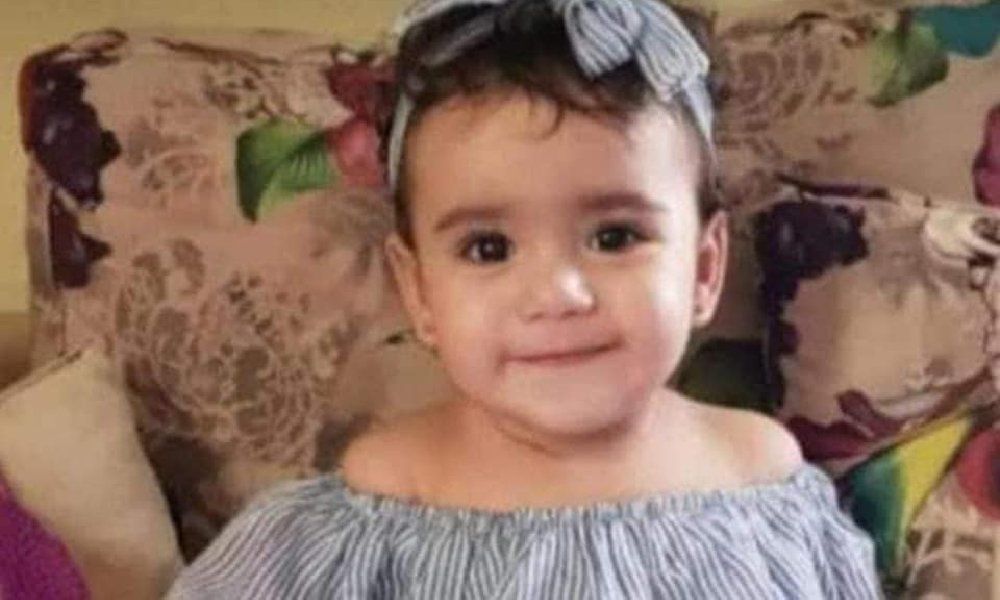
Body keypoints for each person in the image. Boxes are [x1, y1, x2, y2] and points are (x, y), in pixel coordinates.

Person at [167, 0, 881, 597]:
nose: (558, 294)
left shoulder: (755, 480)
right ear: (419, 291)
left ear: (702, 268)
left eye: (615, 236)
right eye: (488, 248)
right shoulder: (377, 506)